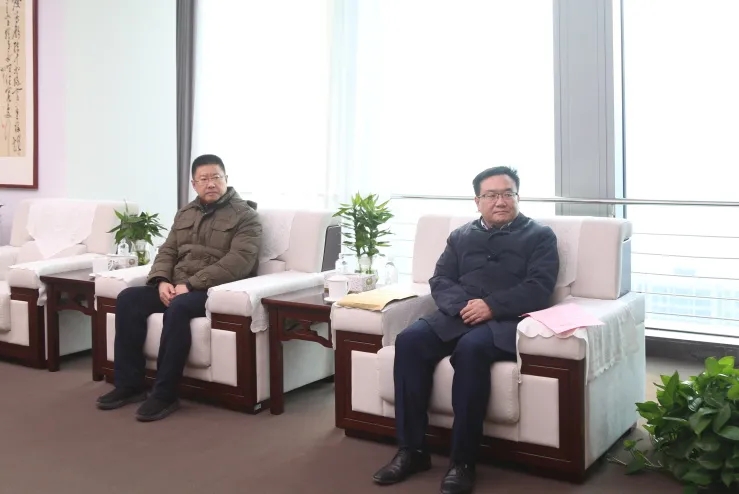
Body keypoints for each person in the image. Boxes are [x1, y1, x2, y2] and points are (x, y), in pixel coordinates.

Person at [372, 166, 559, 494]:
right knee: (409, 341)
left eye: (508, 194)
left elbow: (539, 288)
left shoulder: (540, 236)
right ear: (477, 201)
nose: (500, 201)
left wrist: (492, 306)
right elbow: (440, 279)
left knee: (471, 349)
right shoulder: (460, 236)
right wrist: (463, 306)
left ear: (518, 197)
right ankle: (412, 451)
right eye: (491, 195)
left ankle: (463, 461)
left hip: (504, 321)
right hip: (456, 315)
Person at [96, 154, 262, 422]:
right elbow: (168, 251)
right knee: (128, 298)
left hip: (213, 290)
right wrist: (161, 280)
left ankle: (165, 394)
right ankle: (129, 385)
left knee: (178, 308)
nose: (210, 183)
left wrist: (191, 284)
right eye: (203, 179)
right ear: (194, 184)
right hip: (177, 285)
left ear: (226, 179)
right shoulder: (185, 213)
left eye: (216, 177)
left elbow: (239, 262)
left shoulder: (246, 216)